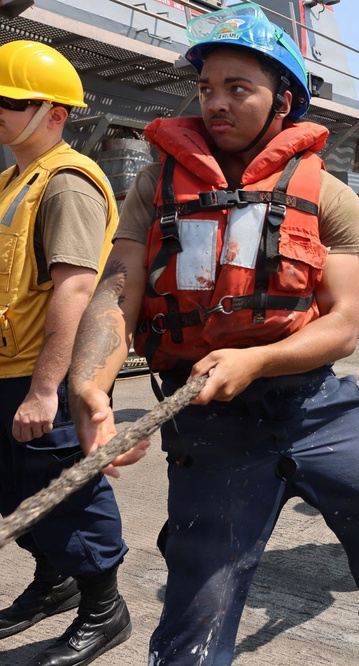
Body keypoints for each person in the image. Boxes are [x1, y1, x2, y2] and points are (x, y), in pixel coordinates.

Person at [66, 7, 359, 664]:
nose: (217, 103)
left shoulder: (328, 196)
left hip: (312, 402)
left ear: (282, 101)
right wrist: (90, 384)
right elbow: (119, 286)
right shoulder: (156, 184)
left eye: (239, 88)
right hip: (208, 415)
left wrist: (257, 359)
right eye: (208, 88)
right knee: (197, 607)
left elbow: (345, 325)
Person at [0, 41, 132, 666]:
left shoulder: (68, 184)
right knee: (14, 494)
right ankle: (52, 583)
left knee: (66, 493)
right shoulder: (10, 180)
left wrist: (45, 390)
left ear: (54, 112)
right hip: (6, 368)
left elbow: (76, 289)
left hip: (35, 373)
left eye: (11, 101)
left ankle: (104, 608)